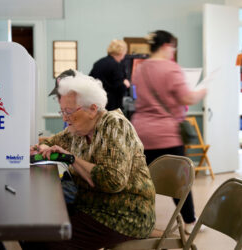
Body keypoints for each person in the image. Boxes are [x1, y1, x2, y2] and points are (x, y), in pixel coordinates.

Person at [27, 71, 156, 249]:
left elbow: (113, 181)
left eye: (69, 111)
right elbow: (50, 142)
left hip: (124, 215)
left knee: (43, 239)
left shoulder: (114, 125)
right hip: (90, 208)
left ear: (93, 109)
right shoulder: (78, 130)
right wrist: (39, 148)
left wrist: (70, 158)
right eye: (62, 111)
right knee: (34, 226)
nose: (64, 118)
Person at [131, 30, 207, 234]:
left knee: (143, 181)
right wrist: (202, 90)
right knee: (180, 181)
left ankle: (139, 222)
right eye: (173, 46)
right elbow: (187, 98)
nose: (173, 50)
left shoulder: (140, 68)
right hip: (166, 134)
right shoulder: (171, 69)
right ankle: (190, 222)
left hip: (141, 132)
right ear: (166, 46)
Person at [89, 39, 130, 111]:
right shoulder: (116, 65)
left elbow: (91, 80)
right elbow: (119, 88)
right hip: (112, 105)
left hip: (97, 103)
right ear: (122, 52)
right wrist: (125, 84)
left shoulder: (98, 63)